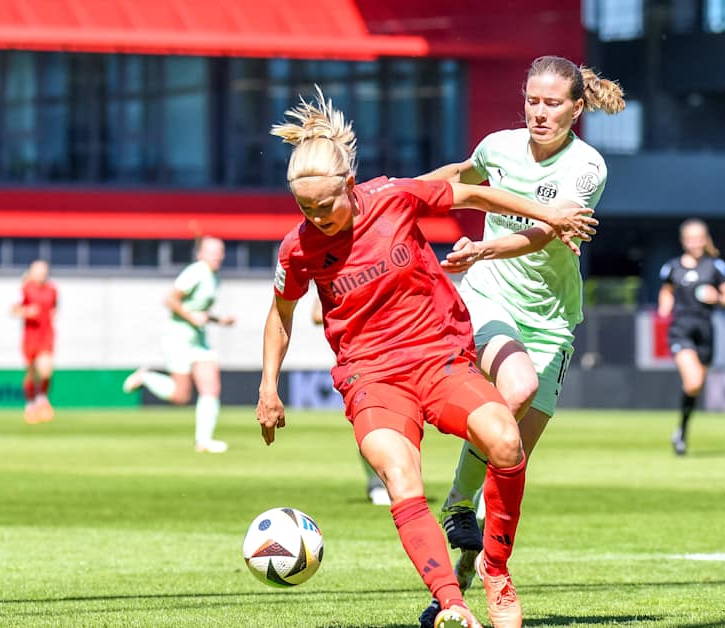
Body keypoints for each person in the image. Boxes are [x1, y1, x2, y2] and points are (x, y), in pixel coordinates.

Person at [255, 89, 596, 628]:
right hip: (372, 377)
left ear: (349, 184)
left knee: (506, 440)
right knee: (399, 474)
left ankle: (496, 571)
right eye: (305, 208)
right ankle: (452, 605)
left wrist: (548, 216)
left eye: (326, 204)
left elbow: (476, 196)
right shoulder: (297, 248)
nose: (317, 217)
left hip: (439, 358)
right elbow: (281, 313)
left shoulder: (392, 197)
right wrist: (268, 388)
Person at [414, 55, 625, 624]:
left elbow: (543, 232)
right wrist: (390, 195)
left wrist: (482, 245)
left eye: (552, 103)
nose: (539, 111)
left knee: (509, 460)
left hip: (553, 319)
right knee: (516, 389)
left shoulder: (587, 167)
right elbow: (464, 174)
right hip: (487, 297)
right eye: (532, 100)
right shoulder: (498, 146)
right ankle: (459, 508)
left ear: (577, 109)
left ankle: (455, 583)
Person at [123, 237, 236, 453]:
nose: (218, 255)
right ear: (200, 254)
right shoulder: (196, 272)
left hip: (198, 339)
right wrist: (192, 318)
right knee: (180, 396)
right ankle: (145, 377)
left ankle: (204, 441)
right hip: (178, 338)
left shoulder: (215, 277)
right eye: (213, 251)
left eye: (220, 251)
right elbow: (170, 299)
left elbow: (198, 311)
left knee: (211, 387)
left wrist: (219, 320)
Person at [657, 219, 725, 456]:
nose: (695, 243)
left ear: (705, 240)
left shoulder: (716, 267)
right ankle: (682, 432)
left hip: (705, 330)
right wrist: (664, 306)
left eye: (699, 238)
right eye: (690, 238)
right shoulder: (672, 267)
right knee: (693, 381)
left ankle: (681, 430)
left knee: (695, 387)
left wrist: (719, 298)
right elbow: (666, 292)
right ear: (684, 241)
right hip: (681, 329)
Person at [311, 289, 391, 506]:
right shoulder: (338, 276)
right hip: (355, 361)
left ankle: (392, 478)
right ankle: (377, 482)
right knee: (367, 422)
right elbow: (317, 315)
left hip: (389, 356)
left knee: (395, 422)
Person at [12, 260, 58, 424]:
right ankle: (31, 405)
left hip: (46, 334)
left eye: (44, 271)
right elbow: (13, 309)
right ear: (32, 272)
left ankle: (42, 399)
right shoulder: (25, 289)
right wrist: (27, 311)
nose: (42, 274)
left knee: (46, 369)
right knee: (33, 372)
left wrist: (52, 314)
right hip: (30, 336)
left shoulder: (52, 289)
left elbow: (54, 307)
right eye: (39, 271)